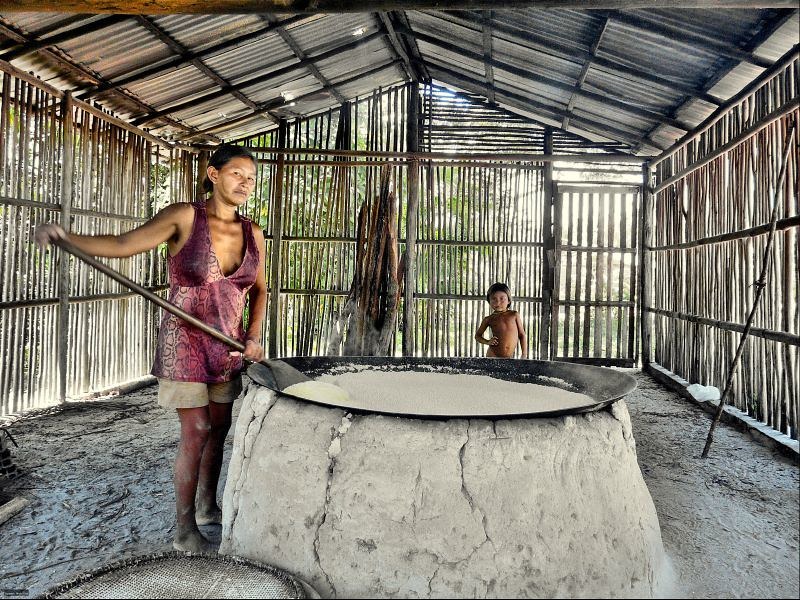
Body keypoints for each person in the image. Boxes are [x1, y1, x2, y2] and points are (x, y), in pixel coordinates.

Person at [35, 144, 267, 552]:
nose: (245, 183)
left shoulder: (253, 233)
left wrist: (252, 336)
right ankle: (184, 531)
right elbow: (125, 243)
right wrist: (68, 238)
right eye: (236, 174)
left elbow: (260, 291)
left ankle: (207, 508)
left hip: (227, 348)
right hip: (184, 344)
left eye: (250, 177)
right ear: (213, 175)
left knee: (220, 429)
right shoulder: (184, 217)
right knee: (196, 430)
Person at [475, 282, 528, 359]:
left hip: (508, 357)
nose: (498, 302)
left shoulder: (514, 315)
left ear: (509, 301)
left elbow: (522, 335)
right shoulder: (489, 319)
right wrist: (487, 341)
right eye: (494, 299)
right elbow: (477, 336)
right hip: (492, 355)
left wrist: (524, 354)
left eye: (502, 298)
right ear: (489, 301)